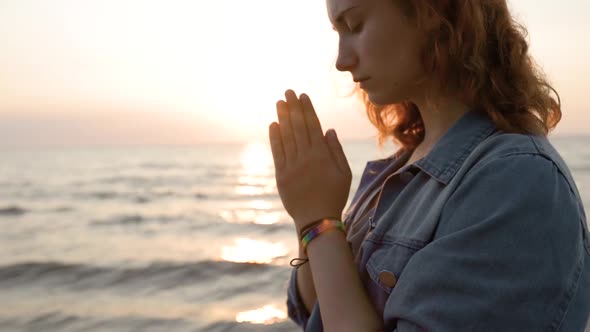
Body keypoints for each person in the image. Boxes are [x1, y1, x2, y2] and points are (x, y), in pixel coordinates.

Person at [267, 0, 590, 331]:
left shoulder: (518, 182)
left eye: (355, 25)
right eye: (338, 33)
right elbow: (313, 311)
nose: (341, 61)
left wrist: (319, 220)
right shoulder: (397, 170)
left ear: (434, 14)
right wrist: (310, 218)